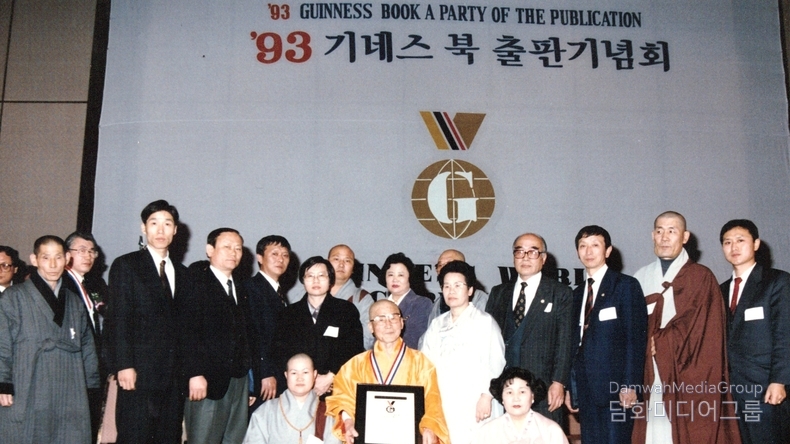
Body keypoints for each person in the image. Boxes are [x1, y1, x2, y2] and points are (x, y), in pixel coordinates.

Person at [631, 211, 740, 444]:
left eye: (672, 231)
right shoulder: (639, 278)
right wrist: (646, 344)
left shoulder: (701, 277)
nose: (664, 237)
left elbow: (706, 332)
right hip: (649, 373)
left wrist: (661, 342)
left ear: (685, 237)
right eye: (659, 231)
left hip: (689, 375)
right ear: (652, 235)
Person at [0, 235, 100, 443]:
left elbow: (87, 346)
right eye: (46, 258)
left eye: (58, 257)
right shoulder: (13, 297)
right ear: (34, 260)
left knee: (67, 435)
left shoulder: (74, 301)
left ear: (67, 259)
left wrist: (91, 385)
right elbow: (2, 343)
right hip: (28, 378)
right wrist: (3, 383)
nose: (53, 265)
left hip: (69, 382)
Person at [105, 199, 190, 444]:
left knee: (168, 437)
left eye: (167, 224)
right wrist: (124, 365)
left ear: (175, 230)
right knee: (135, 436)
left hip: (173, 378)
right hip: (138, 374)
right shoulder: (127, 265)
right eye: (154, 223)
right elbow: (118, 318)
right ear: (144, 228)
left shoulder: (183, 273)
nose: (160, 230)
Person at [564, 225, 646, 444]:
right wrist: (571, 388)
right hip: (585, 388)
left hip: (616, 388)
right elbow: (574, 345)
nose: (588, 251)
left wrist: (630, 385)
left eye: (595, 245)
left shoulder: (625, 286)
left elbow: (635, 340)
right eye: (583, 246)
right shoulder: (576, 293)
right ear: (577, 252)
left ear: (608, 250)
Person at [326, 299, 450, 444]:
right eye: (381, 319)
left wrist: (429, 427)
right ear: (371, 327)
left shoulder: (421, 362)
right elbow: (342, 398)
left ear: (402, 323)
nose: (388, 324)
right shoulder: (354, 365)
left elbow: (433, 401)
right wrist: (348, 421)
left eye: (393, 318)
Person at [180, 228, 261, 443]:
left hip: (238, 380)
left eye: (238, 248)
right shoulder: (195, 282)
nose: (233, 252)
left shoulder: (240, 287)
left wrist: (250, 382)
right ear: (210, 250)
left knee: (235, 439)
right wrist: (194, 373)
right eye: (227, 247)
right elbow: (187, 331)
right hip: (207, 380)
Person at [485, 233, 573, 425]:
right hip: (506, 391)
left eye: (532, 252)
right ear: (513, 257)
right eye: (520, 252)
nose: (525, 257)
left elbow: (565, 343)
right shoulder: (499, 293)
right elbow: (487, 343)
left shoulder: (560, 293)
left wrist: (558, 382)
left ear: (543, 258)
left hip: (544, 389)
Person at [719, 219, 790, 443]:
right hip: (732, 391)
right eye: (727, 242)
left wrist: (779, 381)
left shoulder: (777, 282)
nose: (734, 247)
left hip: (766, 389)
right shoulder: (720, 291)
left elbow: (784, 334)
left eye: (741, 240)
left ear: (756, 244)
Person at [420, 260, 506, 444]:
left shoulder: (484, 322)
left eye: (458, 285)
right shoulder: (437, 324)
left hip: (477, 403)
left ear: (470, 290)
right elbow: (426, 365)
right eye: (446, 286)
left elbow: (496, 362)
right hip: (446, 401)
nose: (451, 291)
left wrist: (486, 396)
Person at [273, 256, 363, 399]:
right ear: (303, 280)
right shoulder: (288, 314)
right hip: (297, 389)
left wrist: (330, 377)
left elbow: (353, 348)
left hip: (336, 387)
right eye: (310, 276)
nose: (316, 281)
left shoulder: (346, 310)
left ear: (330, 280)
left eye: (321, 275)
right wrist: (304, 380)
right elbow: (280, 352)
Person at [63, 231, 110, 443]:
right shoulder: (62, 283)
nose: (88, 256)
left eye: (92, 251)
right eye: (81, 250)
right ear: (67, 254)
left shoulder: (93, 283)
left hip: (92, 365)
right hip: (72, 368)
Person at [244, 353, 341, 443]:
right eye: (294, 373)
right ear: (286, 375)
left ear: (314, 374)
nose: (300, 378)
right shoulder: (266, 411)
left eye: (305, 372)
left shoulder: (328, 412)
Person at [244, 235, 291, 405]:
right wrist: (265, 373)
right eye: (274, 254)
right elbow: (254, 335)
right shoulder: (251, 288)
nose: (280, 259)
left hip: (278, 374)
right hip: (264, 377)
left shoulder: (278, 292)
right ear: (259, 257)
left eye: (285, 255)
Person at [472, 367, 569, 444]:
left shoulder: (551, 430)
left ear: (532, 396)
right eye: (509, 392)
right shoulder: (487, 432)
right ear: (502, 398)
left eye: (522, 392)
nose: (516, 398)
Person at [378, 252, 432, 349]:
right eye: (390, 275)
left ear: (410, 277)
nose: (395, 279)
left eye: (400, 275)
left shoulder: (422, 304)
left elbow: (416, 340)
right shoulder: (379, 306)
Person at [328, 244, 375, 349]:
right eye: (336, 259)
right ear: (326, 263)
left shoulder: (362, 299)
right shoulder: (310, 294)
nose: (341, 264)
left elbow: (367, 341)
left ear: (353, 268)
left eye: (347, 261)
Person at [425, 249, 489, 326]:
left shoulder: (479, 298)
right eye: (440, 265)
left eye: (449, 264)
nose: (443, 268)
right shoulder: (438, 303)